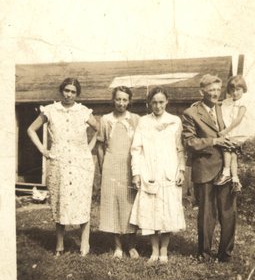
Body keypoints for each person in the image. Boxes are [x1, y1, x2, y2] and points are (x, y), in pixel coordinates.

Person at [27, 78, 98, 257]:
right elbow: (30, 130)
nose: (69, 95)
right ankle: (59, 244)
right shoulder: (50, 110)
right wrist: (43, 150)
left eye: (73, 92)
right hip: (59, 162)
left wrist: (88, 149)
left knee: (81, 201)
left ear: (77, 94)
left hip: (81, 163)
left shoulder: (83, 111)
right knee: (60, 201)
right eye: (67, 90)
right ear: (61, 91)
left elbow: (100, 129)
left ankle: (85, 242)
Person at [182, 74, 236, 263]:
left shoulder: (224, 109)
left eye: (217, 90)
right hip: (205, 169)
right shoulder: (191, 113)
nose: (215, 94)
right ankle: (204, 253)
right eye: (211, 90)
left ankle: (225, 254)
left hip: (227, 168)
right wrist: (214, 141)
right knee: (207, 214)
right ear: (202, 91)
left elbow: (234, 132)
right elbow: (189, 142)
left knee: (228, 212)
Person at [130, 87, 186, 264]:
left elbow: (180, 148)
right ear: (149, 103)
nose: (158, 106)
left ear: (166, 102)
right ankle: (154, 250)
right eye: (154, 102)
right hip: (149, 172)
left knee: (167, 212)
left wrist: (182, 170)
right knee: (151, 212)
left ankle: (164, 250)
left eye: (161, 102)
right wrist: (136, 173)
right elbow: (136, 149)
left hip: (169, 171)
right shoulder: (143, 122)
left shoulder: (175, 121)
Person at [97, 86, 140, 259]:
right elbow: (100, 146)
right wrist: (102, 167)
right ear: (113, 100)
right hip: (111, 165)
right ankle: (118, 246)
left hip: (130, 166)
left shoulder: (136, 119)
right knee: (112, 204)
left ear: (129, 101)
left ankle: (131, 245)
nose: (121, 103)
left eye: (124, 99)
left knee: (129, 204)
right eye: (118, 99)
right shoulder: (106, 120)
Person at [214, 75, 248, 192]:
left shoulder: (243, 102)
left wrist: (225, 131)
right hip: (230, 132)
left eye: (238, 89)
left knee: (226, 148)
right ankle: (235, 180)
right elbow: (218, 106)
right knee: (233, 155)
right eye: (232, 90)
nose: (235, 93)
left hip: (237, 132)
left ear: (243, 89)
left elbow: (238, 119)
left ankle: (226, 172)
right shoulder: (227, 102)